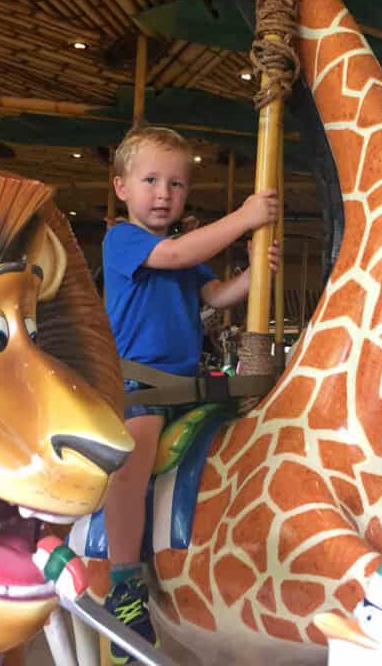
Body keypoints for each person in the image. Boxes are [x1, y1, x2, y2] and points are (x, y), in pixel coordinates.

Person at [102, 126, 280, 664]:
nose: (163, 194)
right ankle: (123, 586)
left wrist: (253, 276)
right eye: (151, 180)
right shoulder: (124, 240)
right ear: (121, 188)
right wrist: (245, 218)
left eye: (176, 184)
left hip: (188, 385)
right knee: (131, 467)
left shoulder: (179, 248)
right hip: (138, 387)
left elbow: (217, 295)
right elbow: (176, 255)